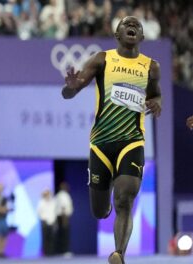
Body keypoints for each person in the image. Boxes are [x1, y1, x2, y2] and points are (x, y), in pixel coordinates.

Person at [61, 16, 162, 264]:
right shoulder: (102, 59)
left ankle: (119, 254)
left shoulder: (151, 67)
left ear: (142, 37)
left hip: (132, 141)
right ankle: (103, 207)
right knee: (100, 210)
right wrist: (71, 87)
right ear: (117, 35)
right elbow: (69, 92)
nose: (132, 26)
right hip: (101, 144)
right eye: (126, 24)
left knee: (125, 198)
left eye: (137, 26)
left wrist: (157, 102)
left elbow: (156, 94)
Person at [55, 182, 73, 256]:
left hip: (62, 217)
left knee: (63, 234)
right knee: (64, 234)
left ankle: (62, 251)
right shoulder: (63, 195)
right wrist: (64, 219)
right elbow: (63, 207)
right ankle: (64, 251)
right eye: (66, 186)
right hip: (63, 217)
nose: (67, 187)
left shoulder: (60, 195)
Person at [36, 189, 57, 256]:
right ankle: (45, 252)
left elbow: (54, 212)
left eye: (48, 194)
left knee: (51, 237)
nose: (47, 195)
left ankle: (51, 252)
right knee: (45, 238)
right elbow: (39, 212)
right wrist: (43, 219)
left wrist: (54, 220)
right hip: (44, 222)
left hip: (52, 222)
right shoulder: (41, 202)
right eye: (46, 194)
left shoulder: (53, 202)